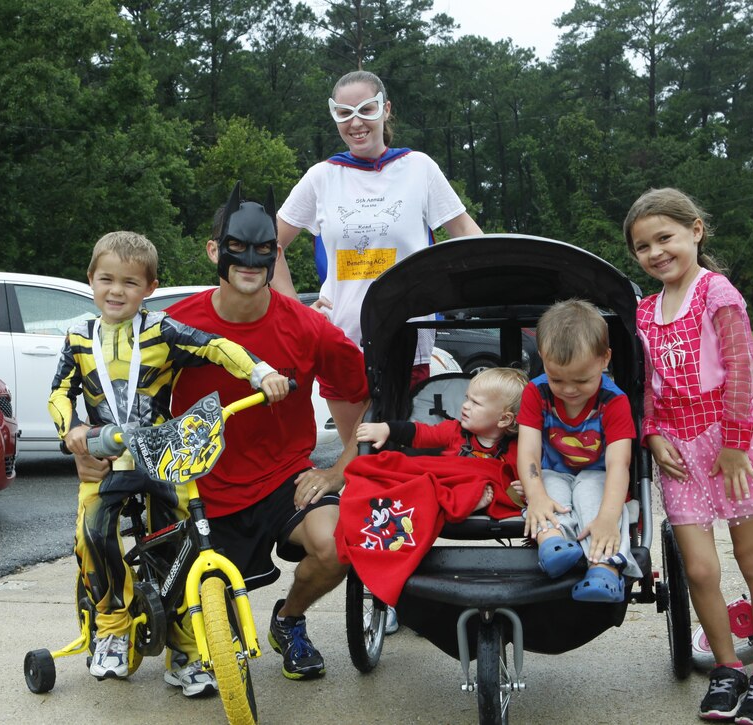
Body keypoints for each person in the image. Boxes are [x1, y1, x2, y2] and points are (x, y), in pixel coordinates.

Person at [74, 188, 369, 682]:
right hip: (196, 487)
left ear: (276, 255)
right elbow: (121, 402)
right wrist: (91, 453)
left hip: (283, 478)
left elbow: (364, 402)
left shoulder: (311, 329)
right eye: (237, 247)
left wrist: (340, 469)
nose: (250, 261)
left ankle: (289, 622)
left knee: (336, 545)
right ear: (215, 251)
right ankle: (131, 626)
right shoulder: (174, 326)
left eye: (264, 250)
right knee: (207, 645)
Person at [49, 231, 290, 693]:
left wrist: (263, 373)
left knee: (183, 543)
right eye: (106, 280)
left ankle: (187, 650)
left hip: (162, 454)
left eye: (130, 283)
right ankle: (114, 628)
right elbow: (60, 393)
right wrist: (73, 431)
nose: (116, 291)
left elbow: (217, 346)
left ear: (150, 288)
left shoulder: (163, 330)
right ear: (91, 281)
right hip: (106, 455)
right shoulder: (79, 337)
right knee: (92, 534)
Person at [624, 188, 753, 724]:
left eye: (665, 238)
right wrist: (651, 432)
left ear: (695, 232)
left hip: (731, 447)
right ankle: (728, 667)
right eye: (643, 247)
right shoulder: (644, 311)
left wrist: (735, 445)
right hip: (679, 452)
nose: (656, 252)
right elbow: (648, 385)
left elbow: (740, 370)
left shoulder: (717, 293)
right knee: (702, 571)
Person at [272, 69, 483, 450]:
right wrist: (294, 310)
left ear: (386, 110)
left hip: (409, 337)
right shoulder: (322, 176)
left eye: (366, 109)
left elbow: (468, 236)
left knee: (402, 453)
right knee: (356, 458)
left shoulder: (418, 168)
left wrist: (481, 284)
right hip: (340, 339)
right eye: (344, 113)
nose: (356, 122)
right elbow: (268, 245)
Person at [516, 299, 644, 605]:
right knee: (549, 494)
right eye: (557, 378)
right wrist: (535, 496)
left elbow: (618, 464)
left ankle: (605, 568)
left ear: (604, 360)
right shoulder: (536, 391)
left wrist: (608, 517)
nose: (569, 390)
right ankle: (553, 544)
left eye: (582, 380)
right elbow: (529, 452)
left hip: (599, 474)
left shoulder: (613, 401)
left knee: (593, 498)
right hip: (554, 470)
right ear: (543, 358)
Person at [356, 367, 528, 509]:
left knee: (489, 482)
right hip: (447, 487)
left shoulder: (518, 450)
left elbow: (518, 480)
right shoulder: (455, 431)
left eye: (475, 403)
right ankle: (466, 501)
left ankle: (469, 500)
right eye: (467, 398)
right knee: (407, 471)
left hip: (481, 490)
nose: (465, 406)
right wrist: (387, 429)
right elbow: (420, 434)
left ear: (504, 419)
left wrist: (525, 487)